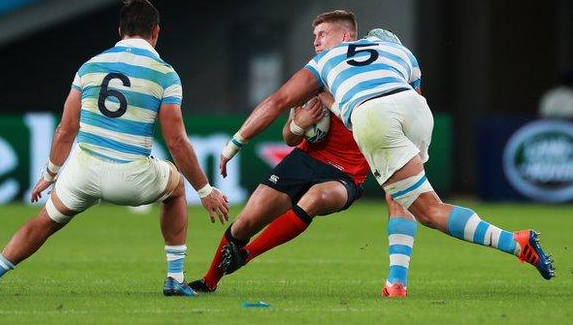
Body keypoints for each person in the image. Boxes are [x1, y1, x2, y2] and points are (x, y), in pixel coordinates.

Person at [219, 21, 556, 294]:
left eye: (321, 35)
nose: (317, 41)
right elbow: (415, 96)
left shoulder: (327, 61)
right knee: (412, 199)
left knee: (428, 210)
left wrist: (235, 144)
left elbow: (279, 102)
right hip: (416, 110)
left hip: (373, 117)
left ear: (352, 38)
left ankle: (517, 242)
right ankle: (397, 281)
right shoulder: (402, 53)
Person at [0, 0, 229, 297]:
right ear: (155, 32)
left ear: (120, 31)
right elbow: (176, 141)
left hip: (83, 171)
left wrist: (50, 174)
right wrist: (205, 190)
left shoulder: (90, 66)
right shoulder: (164, 73)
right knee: (176, 187)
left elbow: (66, 129)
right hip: (131, 178)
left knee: (47, 220)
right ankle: (174, 277)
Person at [188, 11, 417, 297]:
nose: (316, 42)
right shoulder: (315, 75)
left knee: (315, 198)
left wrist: (328, 99)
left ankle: (247, 254)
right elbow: (288, 136)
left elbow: (362, 120)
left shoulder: (374, 80)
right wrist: (300, 123)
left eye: (322, 35)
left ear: (346, 37)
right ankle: (209, 282)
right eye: (314, 36)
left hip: (346, 174)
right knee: (247, 221)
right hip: (305, 161)